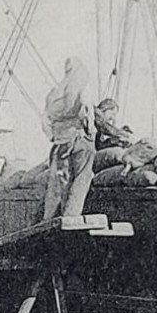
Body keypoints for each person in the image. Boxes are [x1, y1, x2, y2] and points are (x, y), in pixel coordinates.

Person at [41, 56, 95, 222]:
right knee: (81, 177)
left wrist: (54, 137)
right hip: (79, 138)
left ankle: (50, 217)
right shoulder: (80, 88)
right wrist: (90, 132)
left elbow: (45, 121)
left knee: (59, 180)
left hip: (60, 142)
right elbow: (87, 111)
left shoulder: (54, 93)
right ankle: (71, 215)